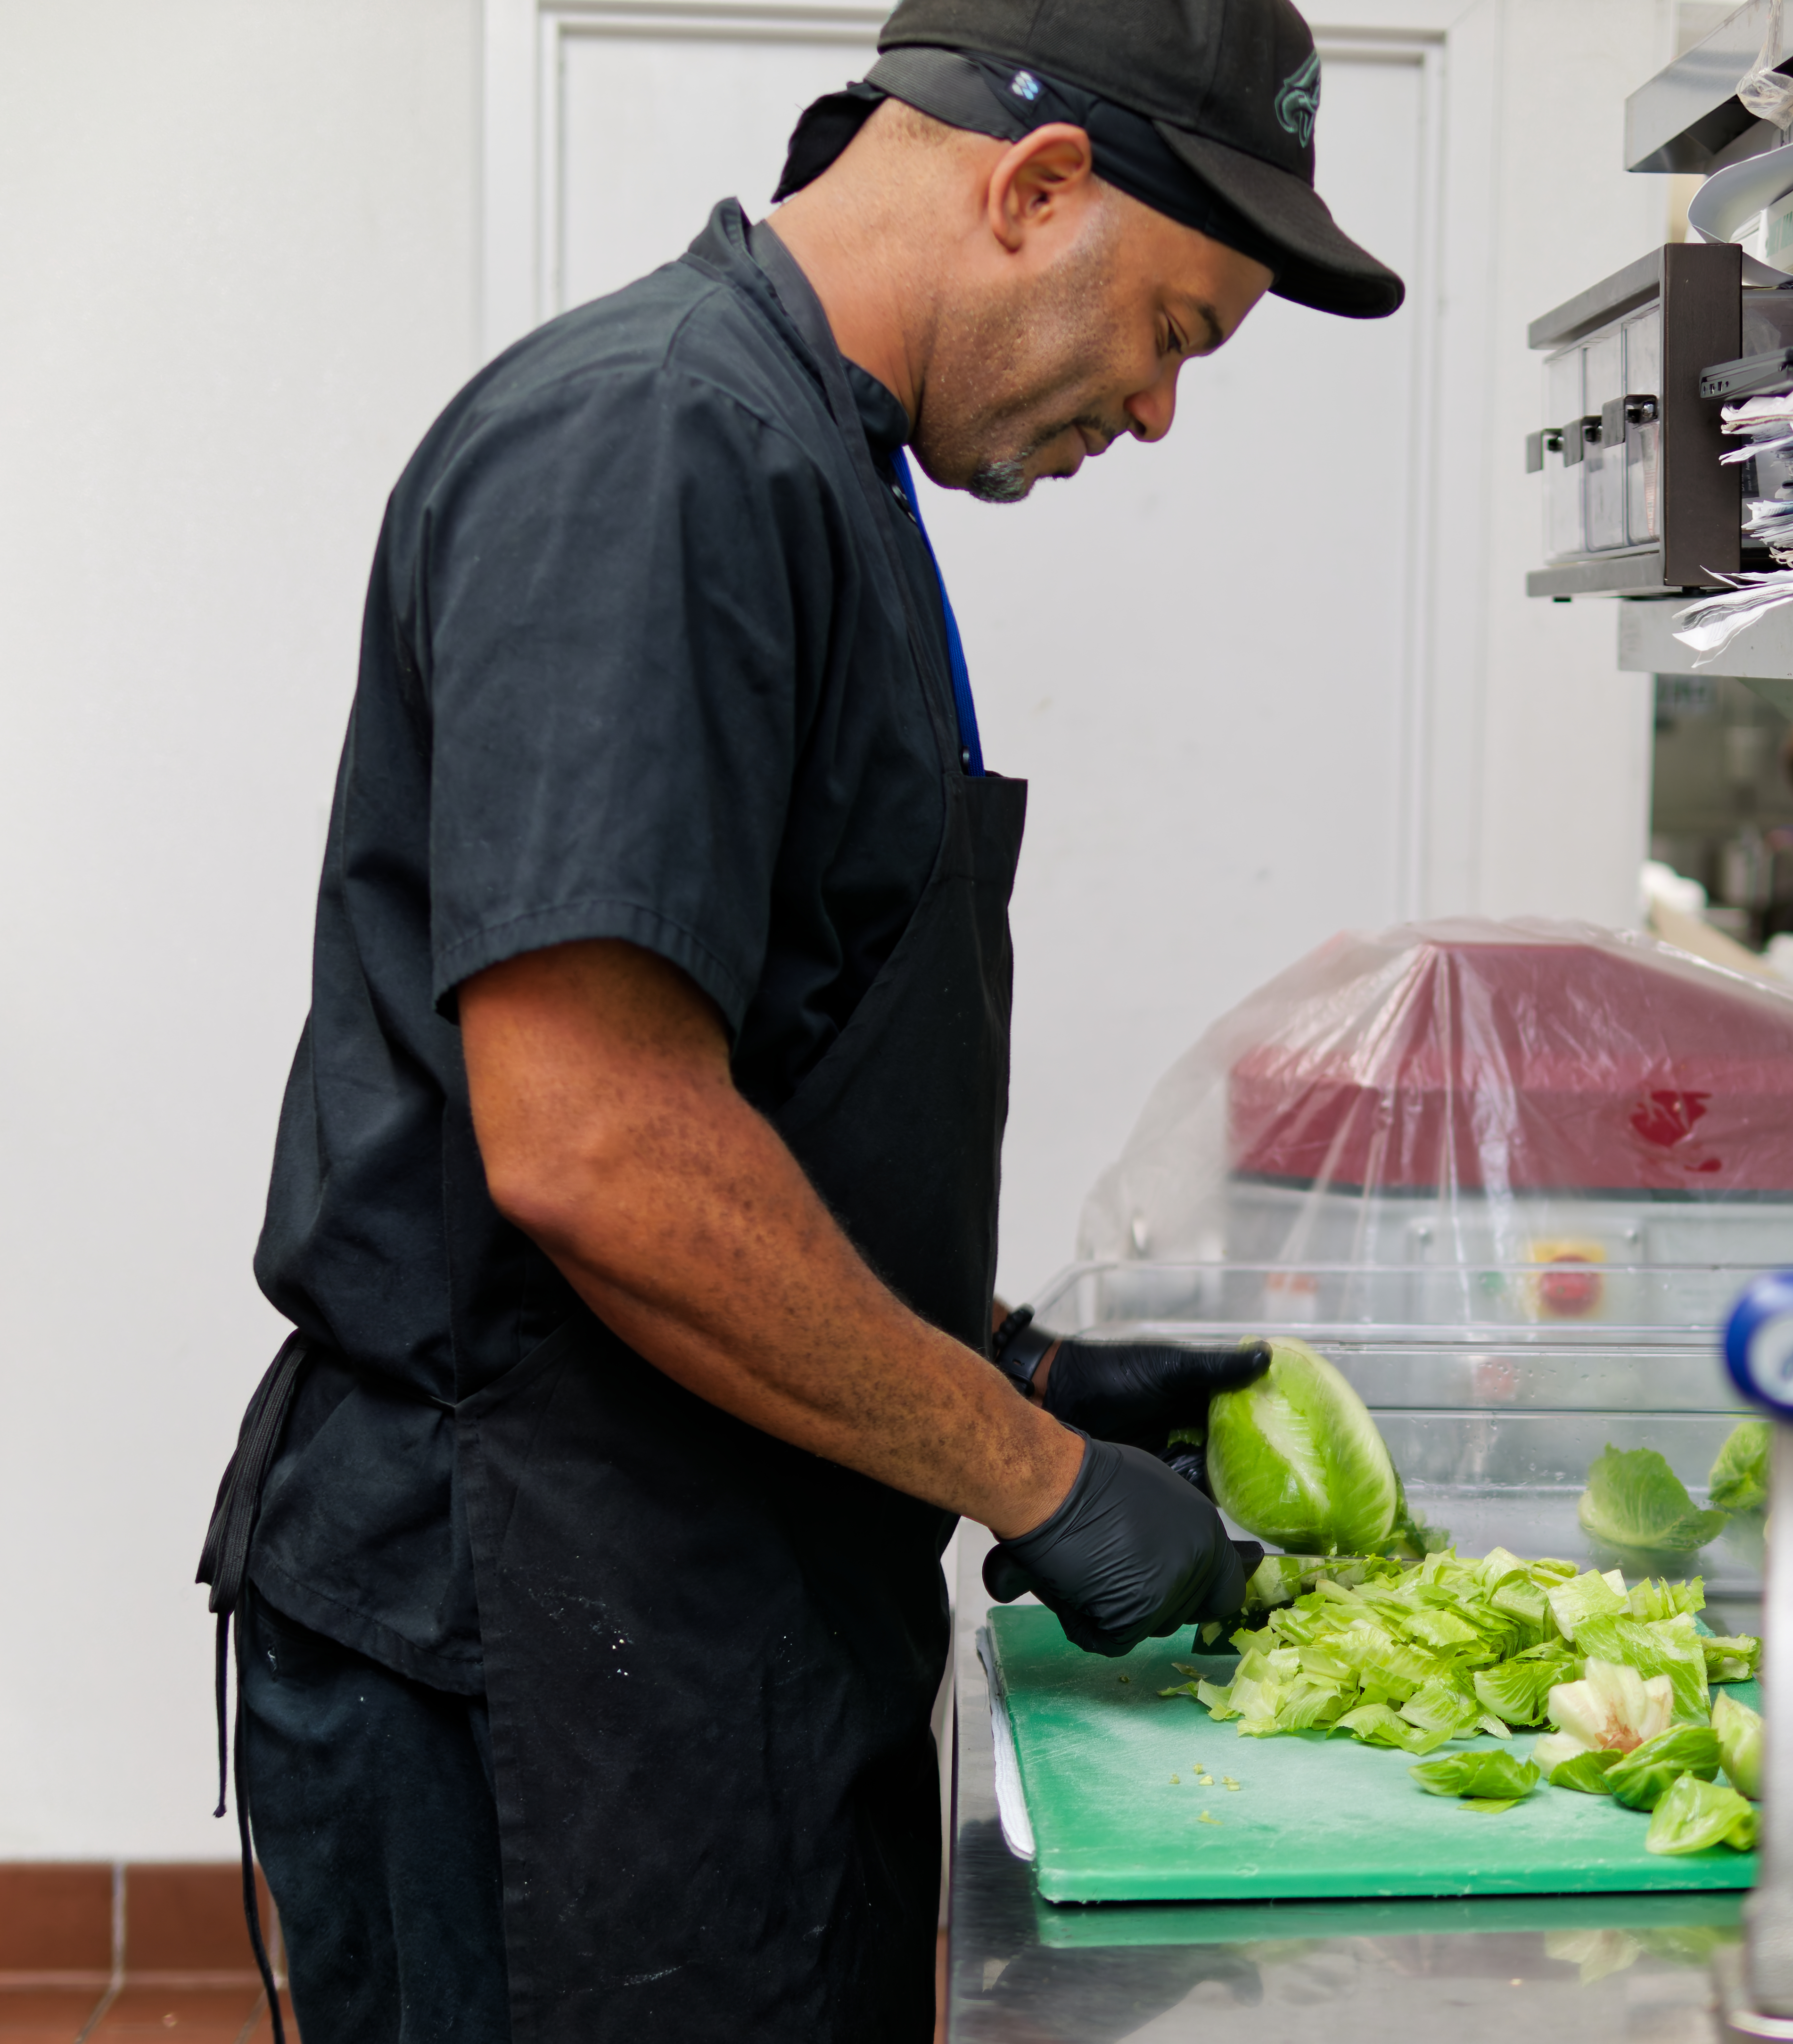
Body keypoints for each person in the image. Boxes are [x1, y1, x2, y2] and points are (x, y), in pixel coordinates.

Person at [194, 5, 1403, 2040]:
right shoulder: (658, 445)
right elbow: (597, 1145)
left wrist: (1009, 1356)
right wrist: (1030, 1470)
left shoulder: (821, 464)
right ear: (1033, 190)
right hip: (541, 1636)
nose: (1162, 413)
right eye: (1182, 333)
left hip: (715, 1603)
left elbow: (774, 1066)